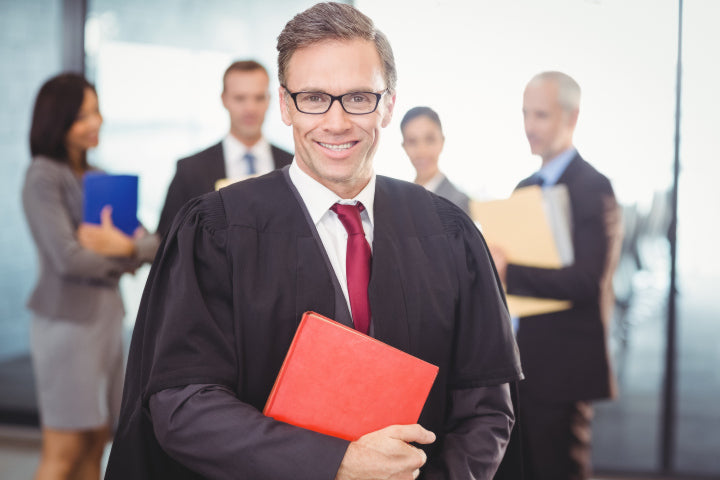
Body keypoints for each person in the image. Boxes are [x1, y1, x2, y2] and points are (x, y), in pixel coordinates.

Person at [104, 3, 522, 479]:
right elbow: (184, 404)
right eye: (314, 98)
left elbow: (486, 406)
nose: (338, 122)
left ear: (388, 104)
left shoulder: (449, 232)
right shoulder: (217, 229)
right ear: (285, 105)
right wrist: (336, 464)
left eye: (359, 97)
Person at [21, 73, 158, 480]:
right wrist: (128, 252)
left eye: (96, 111)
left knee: (97, 438)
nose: (95, 122)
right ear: (57, 122)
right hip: (67, 326)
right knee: (64, 447)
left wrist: (123, 248)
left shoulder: (99, 177)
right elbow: (68, 260)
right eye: (82, 116)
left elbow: (153, 243)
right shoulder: (44, 175)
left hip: (105, 321)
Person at [490, 71, 622, 480]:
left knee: (558, 469)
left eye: (541, 115)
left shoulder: (594, 188)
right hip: (520, 365)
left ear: (572, 117)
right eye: (526, 114)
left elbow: (587, 282)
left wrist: (510, 271)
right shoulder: (523, 187)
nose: (530, 127)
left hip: (563, 368)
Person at [156, 60, 293, 237]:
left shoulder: (294, 165)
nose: (250, 108)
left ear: (270, 100)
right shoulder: (190, 170)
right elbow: (168, 240)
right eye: (240, 98)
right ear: (224, 99)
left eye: (258, 97)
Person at [401, 106, 471, 214]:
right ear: (404, 147)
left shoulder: (457, 203)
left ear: (441, 142)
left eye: (430, 140)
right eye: (412, 142)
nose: (421, 151)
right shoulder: (399, 200)